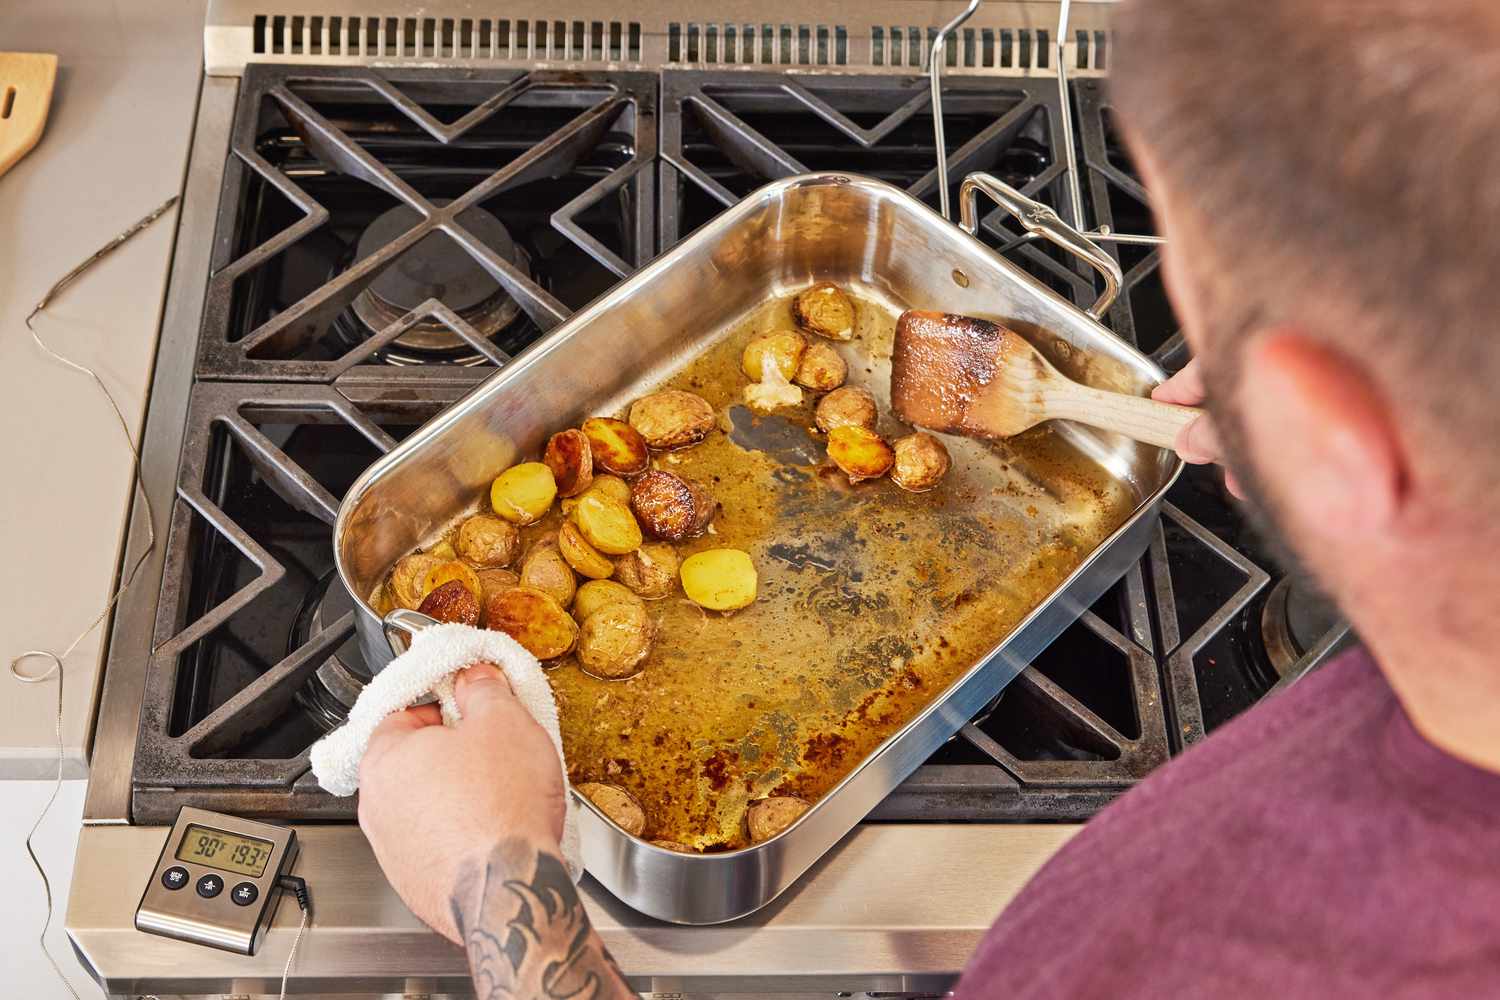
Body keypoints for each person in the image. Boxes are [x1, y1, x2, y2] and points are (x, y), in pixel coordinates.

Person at [356, 0, 1500, 995]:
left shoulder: (1169, 962)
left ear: (1327, 429)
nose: (1188, 370)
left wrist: (499, 881)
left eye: (1203, 309)